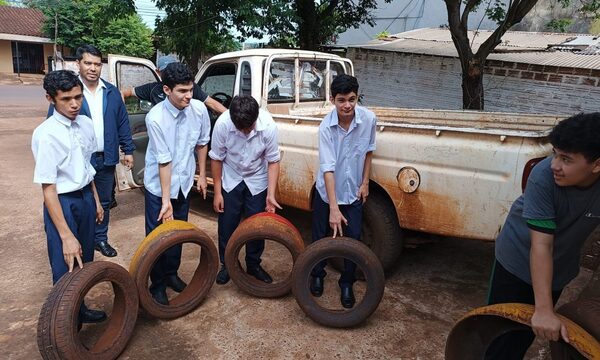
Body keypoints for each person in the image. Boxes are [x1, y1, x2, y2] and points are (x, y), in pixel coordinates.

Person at [486, 112, 600, 359]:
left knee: (524, 335)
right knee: (497, 334)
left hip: (560, 267)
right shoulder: (543, 177)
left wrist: (543, 310)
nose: (554, 165)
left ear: (597, 165)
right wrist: (545, 309)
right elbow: (541, 246)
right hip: (516, 259)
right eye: (555, 154)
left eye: (566, 159)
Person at [33, 70, 107, 326]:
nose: (74, 104)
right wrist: (65, 236)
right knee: (66, 264)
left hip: (86, 196)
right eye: (66, 99)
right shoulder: (46, 134)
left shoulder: (85, 123)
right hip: (62, 203)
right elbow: (48, 188)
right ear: (50, 99)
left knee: (85, 259)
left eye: (78, 97)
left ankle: (81, 308)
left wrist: (95, 200)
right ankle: (66, 327)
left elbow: (87, 166)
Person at [47, 44, 135, 258]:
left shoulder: (111, 92)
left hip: (106, 157)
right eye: (88, 63)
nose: (93, 68)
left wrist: (128, 149)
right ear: (78, 64)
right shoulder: (71, 92)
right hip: (78, 159)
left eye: (97, 64)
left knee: (103, 202)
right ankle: (76, 239)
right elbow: (54, 124)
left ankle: (100, 239)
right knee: (78, 202)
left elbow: (122, 122)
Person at [143, 62, 211, 305]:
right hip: (159, 187)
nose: (189, 96)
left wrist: (202, 175)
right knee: (158, 238)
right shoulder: (156, 118)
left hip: (183, 183)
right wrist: (165, 201)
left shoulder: (199, 110)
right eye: (182, 91)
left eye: (191, 90)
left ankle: (172, 274)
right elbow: (164, 161)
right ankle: (157, 284)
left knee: (179, 234)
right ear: (166, 90)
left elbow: (202, 143)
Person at [310, 74, 376, 309]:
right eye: (341, 100)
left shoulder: (369, 119)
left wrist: (365, 181)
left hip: (354, 192)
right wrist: (333, 208)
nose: (347, 105)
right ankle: (317, 273)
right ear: (332, 100)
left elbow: (368, 150)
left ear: (357, 97)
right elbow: (327, 168)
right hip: (327, 193)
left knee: (354, 238)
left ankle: (346, 281)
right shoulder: (325, 128)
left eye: (351, 99)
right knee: (320, 236)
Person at [209, 95, 281, 285]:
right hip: (231, 176)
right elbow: (216, 158)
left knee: (257, 225)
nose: (245, 132)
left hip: (257, 177)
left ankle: (254, 264)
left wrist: (271, 195)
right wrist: (217, 192)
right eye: (241, 129)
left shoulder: (268, 126)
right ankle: (228, 264)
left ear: (256, 117)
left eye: (249, 128)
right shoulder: (223, 124)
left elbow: (273, 161)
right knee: (227, 223)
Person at [121, 55, 227, 114]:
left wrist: (231, 118)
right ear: (158, 72)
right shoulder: (153, 90)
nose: (188, 95)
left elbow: (212, 103)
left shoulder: (189, 88)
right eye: (165, 71)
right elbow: (127, 91)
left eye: (188, 91)